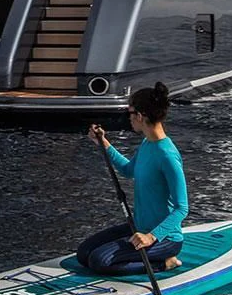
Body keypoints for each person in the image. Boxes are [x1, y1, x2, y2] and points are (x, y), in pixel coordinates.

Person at [78, 82, 188, 275]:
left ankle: (165, 263)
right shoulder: (147, 144)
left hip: (165, 239)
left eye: (129, 113)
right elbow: (128, 170)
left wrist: (152, 237)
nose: (127, 118)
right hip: (138, 227)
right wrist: (104, 144)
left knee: (98, 261)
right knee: (84, 252)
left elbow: (182, 208)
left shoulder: (167, 156)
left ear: (140, 115)